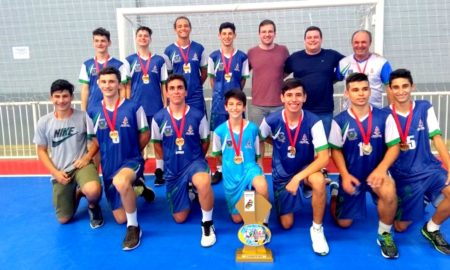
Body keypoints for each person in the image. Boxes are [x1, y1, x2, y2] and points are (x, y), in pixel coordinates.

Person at [328, 73, 400, 259]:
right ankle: (335, 193)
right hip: (352, 175)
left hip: (377, 173)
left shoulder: (385, 117)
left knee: (390, 192)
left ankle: (384, 234)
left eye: (364, 89)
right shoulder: (340, 121)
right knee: (343, 223)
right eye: (355, 90)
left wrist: (381, 169)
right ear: (347, 94)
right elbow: (335, 151)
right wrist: (344, 174)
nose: (361, 94)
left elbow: (394, 147)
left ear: (370, 91)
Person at [86, 67, 155, 251]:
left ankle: (134, 227)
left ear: (119, 84)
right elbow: (94, 140)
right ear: (98, 85)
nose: (108, 85)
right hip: (109, 167)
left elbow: (146, 133)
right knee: (119, 218)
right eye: (104, 82)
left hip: (131, 161)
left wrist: (133, 151)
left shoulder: (133, 107)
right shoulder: (92, 111)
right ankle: (138, 188)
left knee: (122, 181)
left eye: (111, 81)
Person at [259, 78, 330, 255]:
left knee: (319, 181)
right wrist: (260, 162)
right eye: (289, 95)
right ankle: (303, 188)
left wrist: (298, 178)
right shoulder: (271, 120)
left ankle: (317, 229)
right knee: (286, 224)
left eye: (298, 95)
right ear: (282, 97)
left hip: (305, 169)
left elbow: (323, 158)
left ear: (305, 97)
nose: (294, 99)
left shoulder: (314, 121)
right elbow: (258, 138)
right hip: (282, 171)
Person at [385, 68, 450, 255]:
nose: (401, 91)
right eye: (396, 87)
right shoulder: (384, 115)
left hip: (428, 168)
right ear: (390, 89)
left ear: (412, 86)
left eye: (405, 86)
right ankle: (421, 198)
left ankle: (431, 228)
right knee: (400, 227)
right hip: (403, 175)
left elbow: (437, 139)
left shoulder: (424, 107)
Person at [151, 74, 216, 247]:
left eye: (180, 87)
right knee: (179, 218)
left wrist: (195, 159)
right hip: (173, 168)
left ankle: (208, 223)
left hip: (194, 162)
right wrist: (169, 163)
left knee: (203, 181)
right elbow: (157, 146)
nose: (176, 91)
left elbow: (205, 142)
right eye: (172, 88)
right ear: (166, 92)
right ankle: (190, 192)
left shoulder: (197, 115)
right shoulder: (158, 118)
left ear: (186, 91)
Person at [34, 79, 103, 228]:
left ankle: (92, 206)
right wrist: (55, 173)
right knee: (64, 219)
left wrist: (87, 157)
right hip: (60, 171)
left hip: (81, 165)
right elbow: (41, 150)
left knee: (93, 190)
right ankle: (78, 193)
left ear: (71, 97)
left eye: (65, 96)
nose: (61, 100)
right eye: (57, 96)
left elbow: (97, 142)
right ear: (51, 97)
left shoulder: (84, 117)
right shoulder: (44, 122)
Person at [212, 89, 269, 224]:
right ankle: (249, 197)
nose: (235, 108)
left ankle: (263, 223)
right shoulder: (219, 131)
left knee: (262, 186)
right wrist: (228, 167)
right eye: (231, 104)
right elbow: (218, 156)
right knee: (238, 219)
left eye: (238, 104)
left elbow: (258, 151)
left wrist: (260, 169)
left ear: (244, 107)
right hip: (231, 176)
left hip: (249, 169)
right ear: (226, 107)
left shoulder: (253, 128)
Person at [125, 26, 168, 186]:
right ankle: (139, 171)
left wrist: (165, 104)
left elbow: (164, 85)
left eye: (146, 36)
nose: (143, 38)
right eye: (140, 36)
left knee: (158, 139)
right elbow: (126, 86)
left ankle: (159, 170)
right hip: (136, 108)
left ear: (150, 39)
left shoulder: (159, 60)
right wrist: (127, 105)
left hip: (156, 106)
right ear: (136, 39)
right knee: (138, 140)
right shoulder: (129, 61)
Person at [208, 22, 250, 184]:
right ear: (219, 35)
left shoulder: (242, 57)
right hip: (219, 104)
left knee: (240, 135)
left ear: (234, 35)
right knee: (219, 136)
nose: (227, 37)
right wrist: (220, 94)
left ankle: (240, 165)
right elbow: (212, 81)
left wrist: (235, 95)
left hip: (236, 105)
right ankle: (219, 169)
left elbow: (243, 80)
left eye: (230, 33)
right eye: (224, 34)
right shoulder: (213, 57)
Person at [284, 26, 344, 136]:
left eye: (316, 37)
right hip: (300, 109)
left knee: (323, 145)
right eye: (309, 37)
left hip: (324, 110)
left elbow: (351, 62)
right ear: (304, 40)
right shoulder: (295, 58)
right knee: (302, 144)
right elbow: (282, 74)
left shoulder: (331, 55)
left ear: (321, 39)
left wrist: (333, 78)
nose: (312, 40)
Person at [247, 19, 289, 126]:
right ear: (259, 34)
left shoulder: (283, 50)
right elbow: (244, 72)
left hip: (279, 105)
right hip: (257, 106)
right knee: (258, 138)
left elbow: (287, 71)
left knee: (279, 138)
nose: (267, 34)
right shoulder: (252, 52)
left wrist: (275, 76)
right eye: (264, 32)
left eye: (270, 31)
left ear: (275, 34)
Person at [338, 30, 393, 108]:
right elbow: (334, 79)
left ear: (370, 43)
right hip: (350, 113)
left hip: (374, 113)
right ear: (352, 44)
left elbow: (390, 87)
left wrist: (391, 110)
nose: (360, 45)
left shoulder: (381, 63)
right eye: (356, 42)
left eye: (363, 42)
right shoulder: (343, 63)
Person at [164, 16, 208, 114]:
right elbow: (168, 77)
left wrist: (195, 85)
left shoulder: (199, 48)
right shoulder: (169, 50)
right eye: (179, 26)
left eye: (186, 26)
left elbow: (205, 73)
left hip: (195, 97)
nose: (183, 28)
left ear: (190, 28)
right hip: (177, 95)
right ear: (175, 29)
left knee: (198, 124)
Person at [79, 27, 128, 111]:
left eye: (103, 41)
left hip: (114, 109)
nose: (100, 44)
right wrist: (83, 111)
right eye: (97, 41)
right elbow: (85, 89)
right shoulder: (87, 65)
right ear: (93, 43)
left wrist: (122, 108)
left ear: (109, 43)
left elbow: (122, 89)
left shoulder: (119, 65)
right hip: (93, 108)